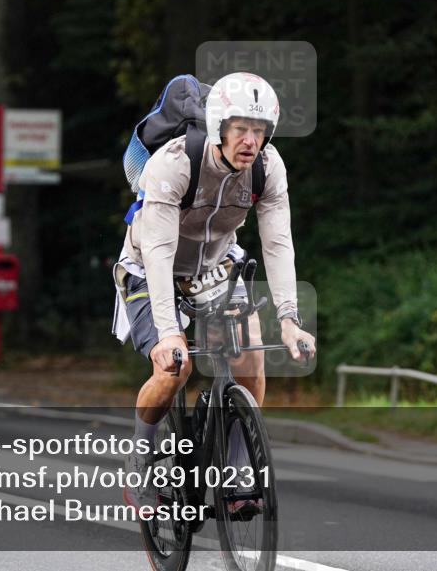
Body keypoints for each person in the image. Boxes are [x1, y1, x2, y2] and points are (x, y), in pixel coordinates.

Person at [113, 72, 316, 508]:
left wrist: (289, 319)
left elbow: (278, 243)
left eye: (259, 130)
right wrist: (169, 333)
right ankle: (141, 459)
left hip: (217, 270)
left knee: (250, 357)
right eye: (241, 128)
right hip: (151, 268)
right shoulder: (175, 162)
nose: (250, 140)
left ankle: (237, 470)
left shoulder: (268, 167)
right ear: (219, 126)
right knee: (173, 371)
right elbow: (160, 252)